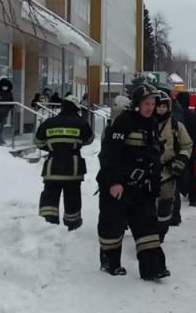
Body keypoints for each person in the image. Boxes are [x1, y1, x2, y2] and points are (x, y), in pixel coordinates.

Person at [96, 85, 170, 280]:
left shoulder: (152, 123)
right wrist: (114, 182)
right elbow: (109, 155)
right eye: (146, 104)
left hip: (142, 187)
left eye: (153, 104)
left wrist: (154, 185)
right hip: (119, 186)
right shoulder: (123, 122)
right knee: (112, 226)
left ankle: (153, 269)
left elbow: (153, 157)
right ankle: (110, 264)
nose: (150, 108)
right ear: (137, 104)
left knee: (147, 227)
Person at [35, 94, 94, 230]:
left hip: (52, 166)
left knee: (50, 193)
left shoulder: (49, 123)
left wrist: (52, 147)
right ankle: (72, 223)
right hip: (72, 168)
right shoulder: (81, 123)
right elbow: (89, 139)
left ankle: (48, 222)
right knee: (72, 196)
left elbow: (38, 142)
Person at [154, 91, 193, 239]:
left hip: (168, 173)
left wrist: (181, 160)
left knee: (165, 205)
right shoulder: (144, 124)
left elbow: (187, 145)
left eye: (164, 106)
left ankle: (161, 233)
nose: (160, 110)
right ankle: (148, 234)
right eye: (158, 106)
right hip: (147, 173)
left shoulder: (176, 126)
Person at [173, 90, 196, 209]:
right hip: (192, 148)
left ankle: (177, 196)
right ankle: (193, 198)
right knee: (191, 173)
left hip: (178, 149)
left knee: (176, 172)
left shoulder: (175, 116)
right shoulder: (193, 115)